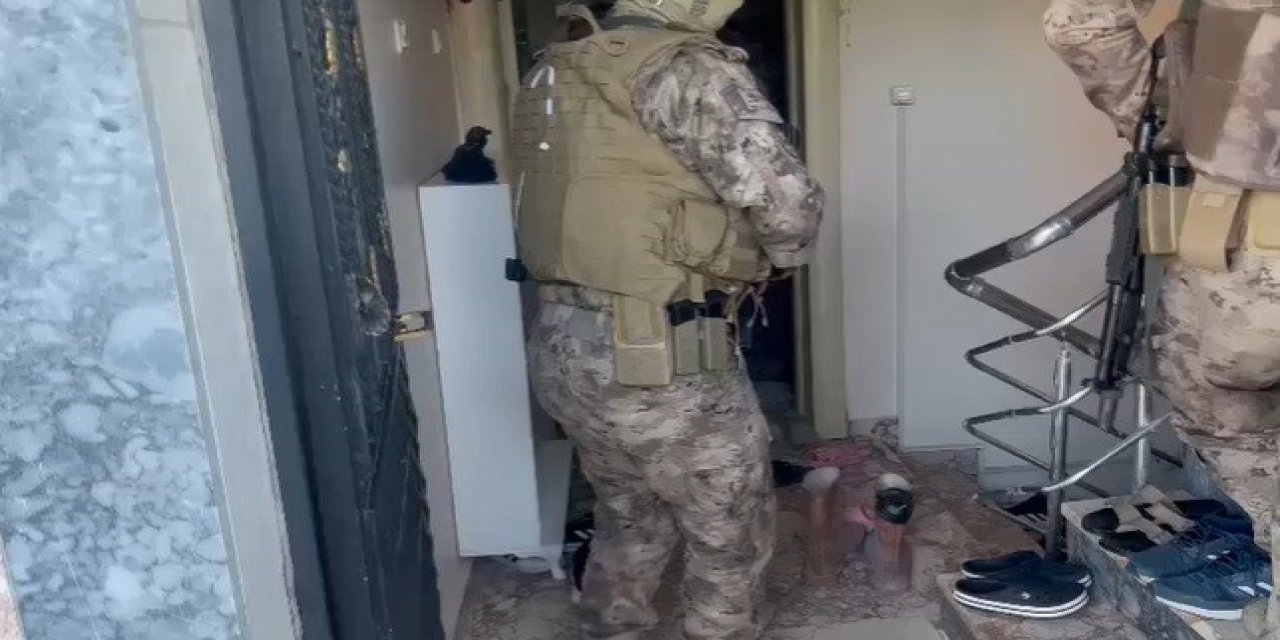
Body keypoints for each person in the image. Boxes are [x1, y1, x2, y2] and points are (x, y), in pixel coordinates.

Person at [510, 0, 825, 638]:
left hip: (562, 344)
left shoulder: (555, 65)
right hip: (656, 352)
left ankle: (612, 623)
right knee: (728, 515)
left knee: (626, 507)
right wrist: (777, 260)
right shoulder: (689, 68)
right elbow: (787, 205)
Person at [1043, 0, 1279, 634]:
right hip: (1239, 255)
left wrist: (1169, 120)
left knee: (1234, 421)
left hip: (1243, 256)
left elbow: (1080, 20)